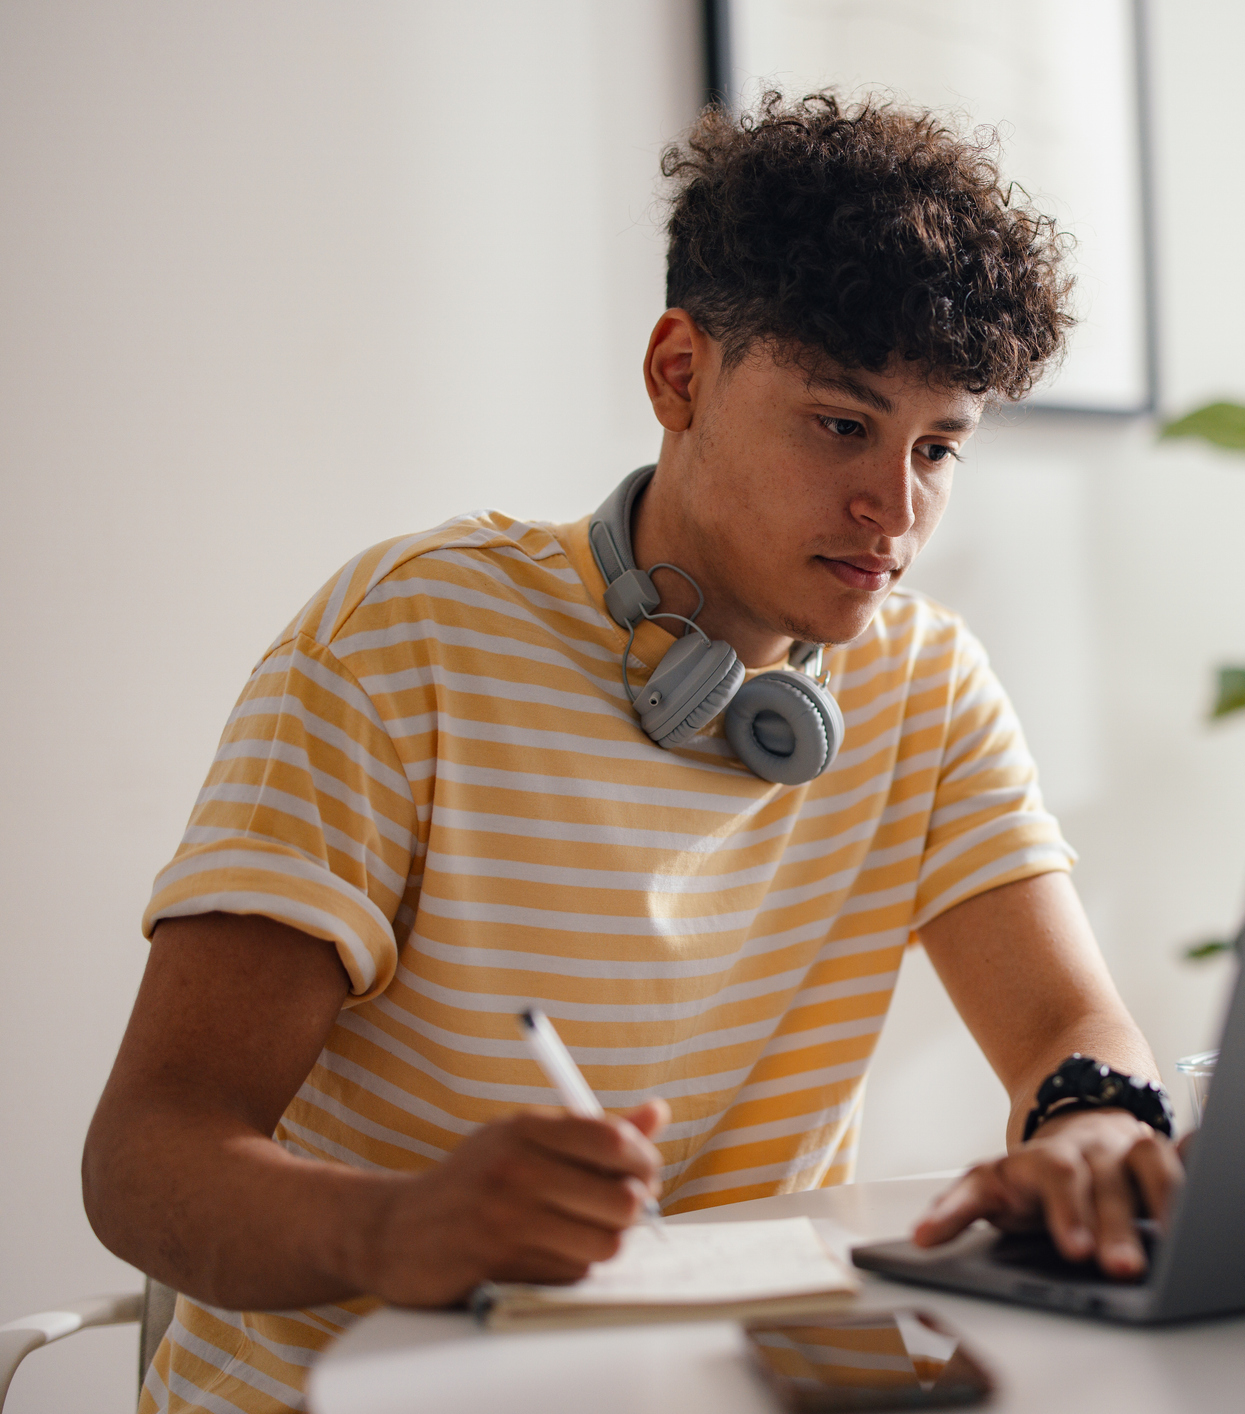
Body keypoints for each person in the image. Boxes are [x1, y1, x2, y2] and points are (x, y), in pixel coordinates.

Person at [82, 92, 1182, 1414]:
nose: (895, 510)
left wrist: (1093, 1123)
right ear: (678, 374)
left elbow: (1070, 1022)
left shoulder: (926, 682)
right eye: (842, 424)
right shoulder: (406, 637)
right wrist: (394, 1226)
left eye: (937, 447)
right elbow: (147, 1154)